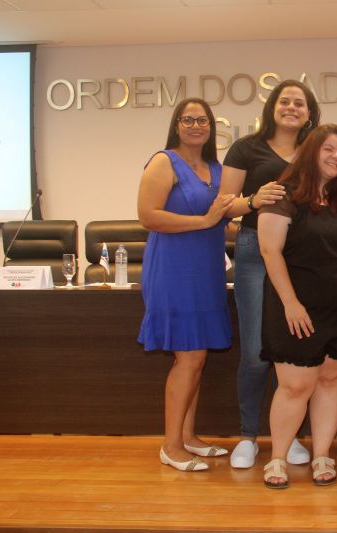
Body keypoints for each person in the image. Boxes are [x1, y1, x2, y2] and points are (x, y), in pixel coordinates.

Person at [259, 124, 337, 489]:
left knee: (330, 381)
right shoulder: (283, 195)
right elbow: (270, 251)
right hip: (298, 309)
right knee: (295, 387)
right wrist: (291, 303)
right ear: (311, 152)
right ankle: (277, 459)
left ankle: (323, 454)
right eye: (328, 149)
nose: (336, 157)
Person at [220, 80, 321, 469]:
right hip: (254, 253)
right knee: (255, 353)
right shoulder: (246, 148)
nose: (292, 107)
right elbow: (224, 206)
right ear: (272, 107)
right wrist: (253, 200)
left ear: (309, 113)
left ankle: (288, 436)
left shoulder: (314, 150)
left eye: (300, 103)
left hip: (303, 256)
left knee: (293, 350)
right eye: (285, 101)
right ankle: (248, 436)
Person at [137, 97, 234, 472]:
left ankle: (189, 436)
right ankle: (171, 445)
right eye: (188, 119)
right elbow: (148, 216)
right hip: (174, 270)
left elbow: (225, 221)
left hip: (207, 271)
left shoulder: (217, 168)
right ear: (176, 125)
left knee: (197, 356)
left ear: (212, 127)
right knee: (188, 357)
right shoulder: (164, 161)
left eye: (202, 120)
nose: (196, 126)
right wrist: (205, 221)